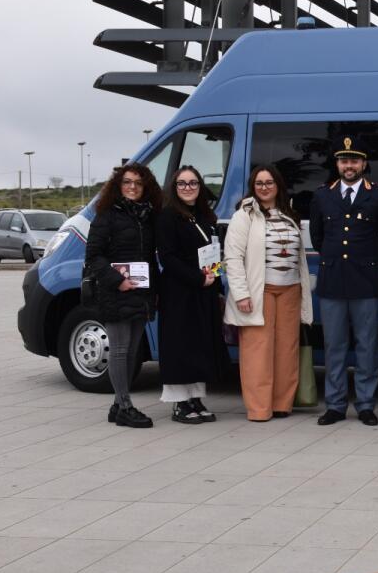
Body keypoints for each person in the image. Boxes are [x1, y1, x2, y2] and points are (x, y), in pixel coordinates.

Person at [310, 137, 378, 426]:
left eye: (355, 160)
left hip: (365, 280)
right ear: (337, 164)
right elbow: (318, 238)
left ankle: (365, 405)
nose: (349, 165)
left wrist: (367, 260)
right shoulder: (323, 195)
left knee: (366, 346)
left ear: (363, 164)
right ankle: (335, 405)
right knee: (334, 346)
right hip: (333, 280)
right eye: (344, 160)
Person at [223, 165, 314, 421]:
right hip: (259, 291)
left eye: (269, 182)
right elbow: (233, 256)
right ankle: (259, 409)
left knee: (287, 349)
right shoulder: (245, 215)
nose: (264, 187)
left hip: (290, 290)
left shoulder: (289, 214)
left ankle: (282, 404)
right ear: (253, 186)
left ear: (278, 185)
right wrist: (241, 293)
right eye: (259, 183)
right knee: (257, 351)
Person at [84, 163, 162, 428]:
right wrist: (117, 281)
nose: (132, 187)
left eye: (138, 183)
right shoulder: (106, 215)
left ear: (145, 187)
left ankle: (117, 406)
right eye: (127, 182)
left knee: (131, 352)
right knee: (118, 350)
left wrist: (154, 291)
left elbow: (151, 258)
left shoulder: (148, 216)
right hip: (115, 292)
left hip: (140, 292)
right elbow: (93, 257)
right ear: (118, 185)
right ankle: (126, 406)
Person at [156, 165, 228, 424]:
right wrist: (199, 278)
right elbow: (168, 257)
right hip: (179, 292)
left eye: (193, 183)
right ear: (174, 188)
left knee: (200, 346)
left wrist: (215, 277)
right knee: (180, 347)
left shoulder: (205, 216)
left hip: (204, 291)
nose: (188, 187)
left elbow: (215, 252)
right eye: (182, 183)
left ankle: (195, 398)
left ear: (200, 186)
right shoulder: (167, 217)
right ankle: (179, 403)